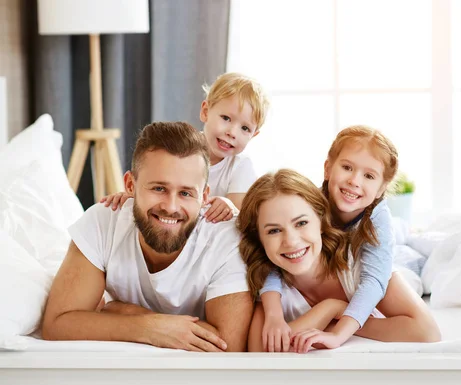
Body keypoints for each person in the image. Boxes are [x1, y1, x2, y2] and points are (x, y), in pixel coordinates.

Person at [42, 122, 253, 352]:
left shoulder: (227, 239)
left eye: (185, 193)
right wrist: (148, 327)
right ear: (130, 185)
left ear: (204, 196)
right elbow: (57, 324)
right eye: (158, 189)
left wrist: (127, 312)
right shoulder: (104, 222)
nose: (171, 207)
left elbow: (228, 346)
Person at [237, 169, 440, 353]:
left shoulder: (363, 267)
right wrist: (330, 309)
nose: (291, 241)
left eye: (301, 223)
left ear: (321, 220)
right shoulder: (271, 290)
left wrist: (335, 317)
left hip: (407, 264)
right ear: (259, 239)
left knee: (418, 254)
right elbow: (259, 350)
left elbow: (426, 331)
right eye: (274, 230)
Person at [259, 126, 400, 352]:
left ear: (381, 188)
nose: (355, 181)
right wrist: (273, 315)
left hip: (383, 253)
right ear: (327, 169)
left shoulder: (379, 219)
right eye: (347, 167)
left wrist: (338, 333)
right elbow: (276, 258)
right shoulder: (310, 204)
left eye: (369, 176)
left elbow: (375, 281)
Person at [101, 72, 269, 223]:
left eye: (245, 128)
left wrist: (229, 207)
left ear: (253, 135)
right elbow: (155, 189)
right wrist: (131, 198)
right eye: (226, 118)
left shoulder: (240, 166)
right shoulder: (181, 150)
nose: (232, 132)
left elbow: (239, 216)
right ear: (205, 111)